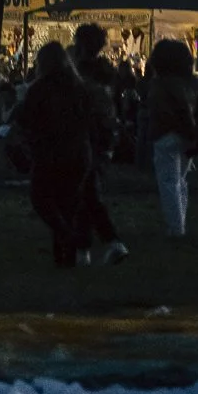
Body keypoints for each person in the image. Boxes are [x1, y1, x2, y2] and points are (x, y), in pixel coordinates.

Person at [15, 42, 96, 266]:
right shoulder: (79, 87)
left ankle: (65, 240)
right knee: (67, 202)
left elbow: (28, 119)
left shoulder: (40, 89)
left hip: (50, 151)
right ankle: (65, 254)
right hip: (78, 151)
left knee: (42, 198)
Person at [69, 23, 128, 264]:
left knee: (86, 192)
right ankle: (85, 246)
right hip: (103, 136)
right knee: (86, 191)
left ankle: (108, 241)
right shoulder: (106, 72)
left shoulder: (80, 73)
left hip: (86, 135)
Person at [146, 37, 198, 238]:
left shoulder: (161, 84)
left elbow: (166, 110)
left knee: (169, 181)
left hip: (166, 133)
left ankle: (176, 227)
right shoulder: (196, 84)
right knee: (180, 180)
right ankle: (179, 224)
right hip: (189, 136)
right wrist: (197, 135)